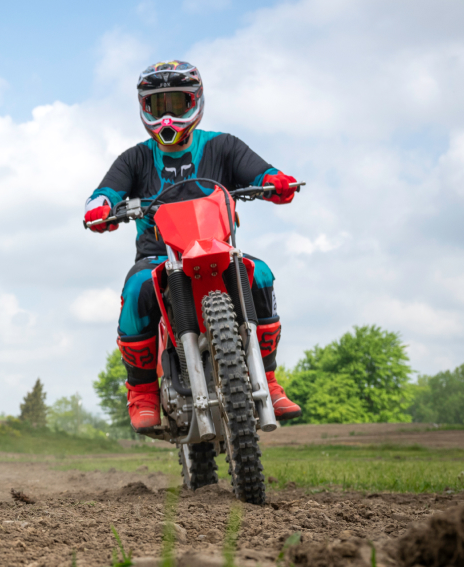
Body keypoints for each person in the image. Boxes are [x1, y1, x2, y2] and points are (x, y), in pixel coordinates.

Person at [84, 60, 302, 431]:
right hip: (158, 255)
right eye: (157, 105)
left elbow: (261, 171)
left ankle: (269, 378)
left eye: (177, 104)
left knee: (261, 274)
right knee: (137, 286)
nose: (167, 116)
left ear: (195, 102)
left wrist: (277, 181)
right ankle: (143, 393)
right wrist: (100, 206)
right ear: (144, 109)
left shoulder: (223, 146)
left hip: (217, 249)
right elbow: (106, 191)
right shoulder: (134, 159)